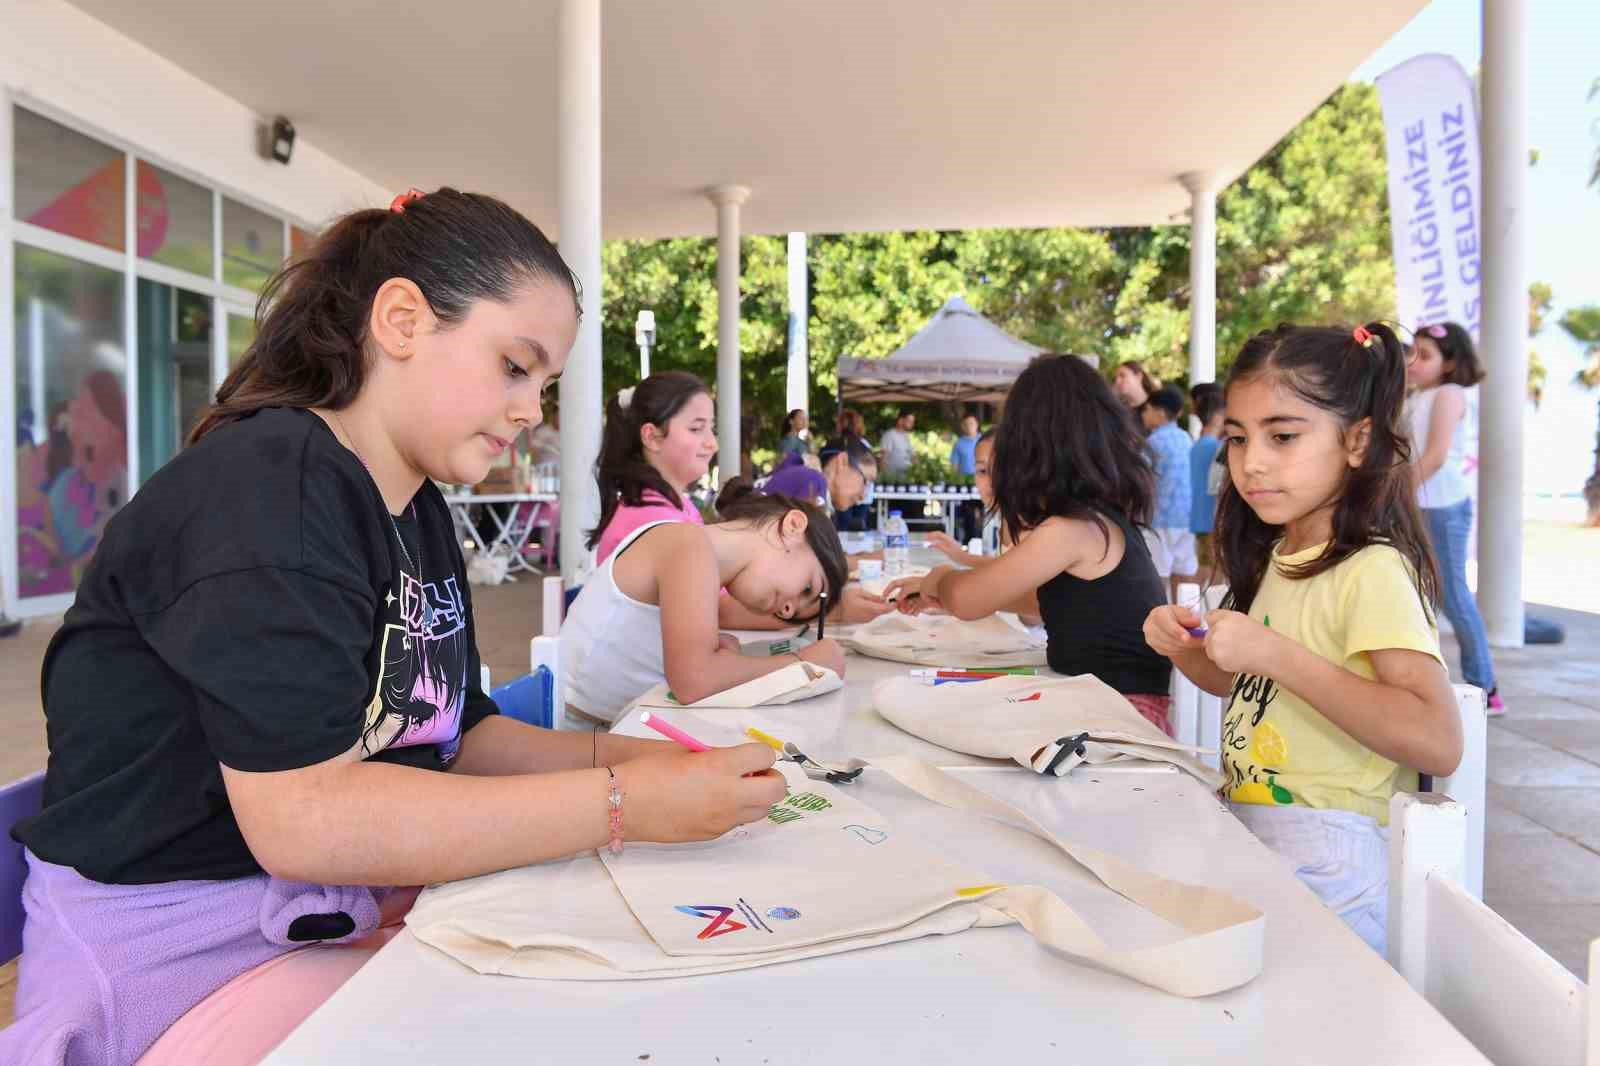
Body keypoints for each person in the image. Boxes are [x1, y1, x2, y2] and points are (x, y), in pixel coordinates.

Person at [1, 189, 790, 1066]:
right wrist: (626, 806)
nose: (531, 410)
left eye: (545, 384)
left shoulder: (411, 504)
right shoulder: (271, 490)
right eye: (514, 366)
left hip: (322, 911)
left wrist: (646, 763)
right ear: (403, 320)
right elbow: (304, 818)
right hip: (178, 953)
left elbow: (461, 733)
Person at [1143, 322, 1462, 955]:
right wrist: (1188, 650)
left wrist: (1277, 654)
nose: (1251, 462)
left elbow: (1436, 740)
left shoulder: (1371, 568)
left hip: (1333, 861)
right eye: (1237, 439)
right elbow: (1247, 683)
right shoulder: (1282, 553)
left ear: (1356, 440)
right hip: (1254, 830)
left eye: (1282, 436)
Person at [886, 355, 1173, 733]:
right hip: (1109, 705)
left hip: (1119, 718)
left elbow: (969, 600)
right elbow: (1051, 602)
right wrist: (938, 593)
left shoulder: (1072, 529)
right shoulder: (1098, 520)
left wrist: (941, 579)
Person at [560, 482, 850, 723]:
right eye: (807, 587)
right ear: (793, 525)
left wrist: (723, 659)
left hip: (609, 726)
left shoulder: (698, 553)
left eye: (793, 614)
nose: (787, 609)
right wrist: (803, 663)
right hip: (580, 735)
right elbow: (694, 682)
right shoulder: (689, 546)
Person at [1406, 321, 1501, 714]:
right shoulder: (1416, 396)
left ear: (1449, 364)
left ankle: (1484, 687)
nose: (1414, 360)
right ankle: (1423, 687)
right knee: (1418, 597)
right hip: (1418, 504)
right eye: (1413, 351)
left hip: (1442, 507)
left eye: (1425, 355)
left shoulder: (1449, 393)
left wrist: (1393, 493)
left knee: (1454, 597)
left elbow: (1436, 454)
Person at [588, 371, 716, 566]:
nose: (712, 443)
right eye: (696, 429)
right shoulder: (655, 521)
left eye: (711, 429)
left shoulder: (668, 505)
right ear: (652, 437)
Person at [1141, 385, 1196, 598]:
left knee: (1159, 574)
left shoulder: (1153, 442)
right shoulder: (1186, 438)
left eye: (1147, 409)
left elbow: (1144, 479)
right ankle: (1189, 617)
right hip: (1186, 518)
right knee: (1184, 573)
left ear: (1160, 413)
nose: (1144, 414)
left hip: (1160, 519)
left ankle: (1161, 620)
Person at [1188, 383, 1227, 584]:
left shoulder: (1197, 445)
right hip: (1214, 520)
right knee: (1214, 573)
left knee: (1205, 568)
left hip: (1199, 519)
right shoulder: (1219, 448)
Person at [1111, 359, 1160, 427]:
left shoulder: (1157, 405)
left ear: (1138, 376)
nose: (1117, 381)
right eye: (1115, 378)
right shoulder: (1119, 409)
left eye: (1122, 376)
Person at [879, 410, 916, 478]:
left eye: (913, 422)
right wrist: (883, 479)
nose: (912, 424)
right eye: (909, 421)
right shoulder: (889, 435)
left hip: (906, 479)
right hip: (892, 480)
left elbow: (913, 456)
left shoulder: (907, 437)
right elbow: (883, 458)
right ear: (900, 420)